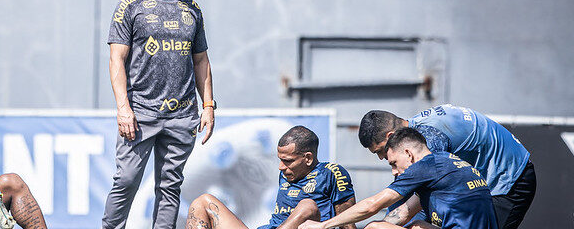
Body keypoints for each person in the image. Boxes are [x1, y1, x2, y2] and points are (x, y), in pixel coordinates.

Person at [103, 0, 216, 229]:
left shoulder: (192, 9)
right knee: (126, 179)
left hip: (182, 115)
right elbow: (117, 60)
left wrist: (208, 106)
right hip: (141, 113)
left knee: (169, 187)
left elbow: (201, 61)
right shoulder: (131, 5)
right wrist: (123, 109)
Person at [357, 104, 535, 229]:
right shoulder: (415, 133)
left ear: (390, 136)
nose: (382, 158)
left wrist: (379, 226)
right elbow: (402, 199)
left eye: (380, 151)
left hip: (510, 181)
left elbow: (407, 210)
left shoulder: (430, 141)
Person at [299, 127, 497, 229]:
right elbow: (403, 213)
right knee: (415, 225)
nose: (394, 172)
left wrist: (323, 225)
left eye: (393, 163)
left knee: (374, 228)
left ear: (409, 154)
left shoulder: (425, 166)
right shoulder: (445, 163)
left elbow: (372, 205)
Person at [186, 126, 356, 229]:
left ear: (308, 158)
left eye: (287, 161)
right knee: (202, 202)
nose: (281, 167)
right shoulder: (286, 173)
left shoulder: (332, 173)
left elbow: (348, 220)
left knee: (307, 206)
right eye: (280, 160)